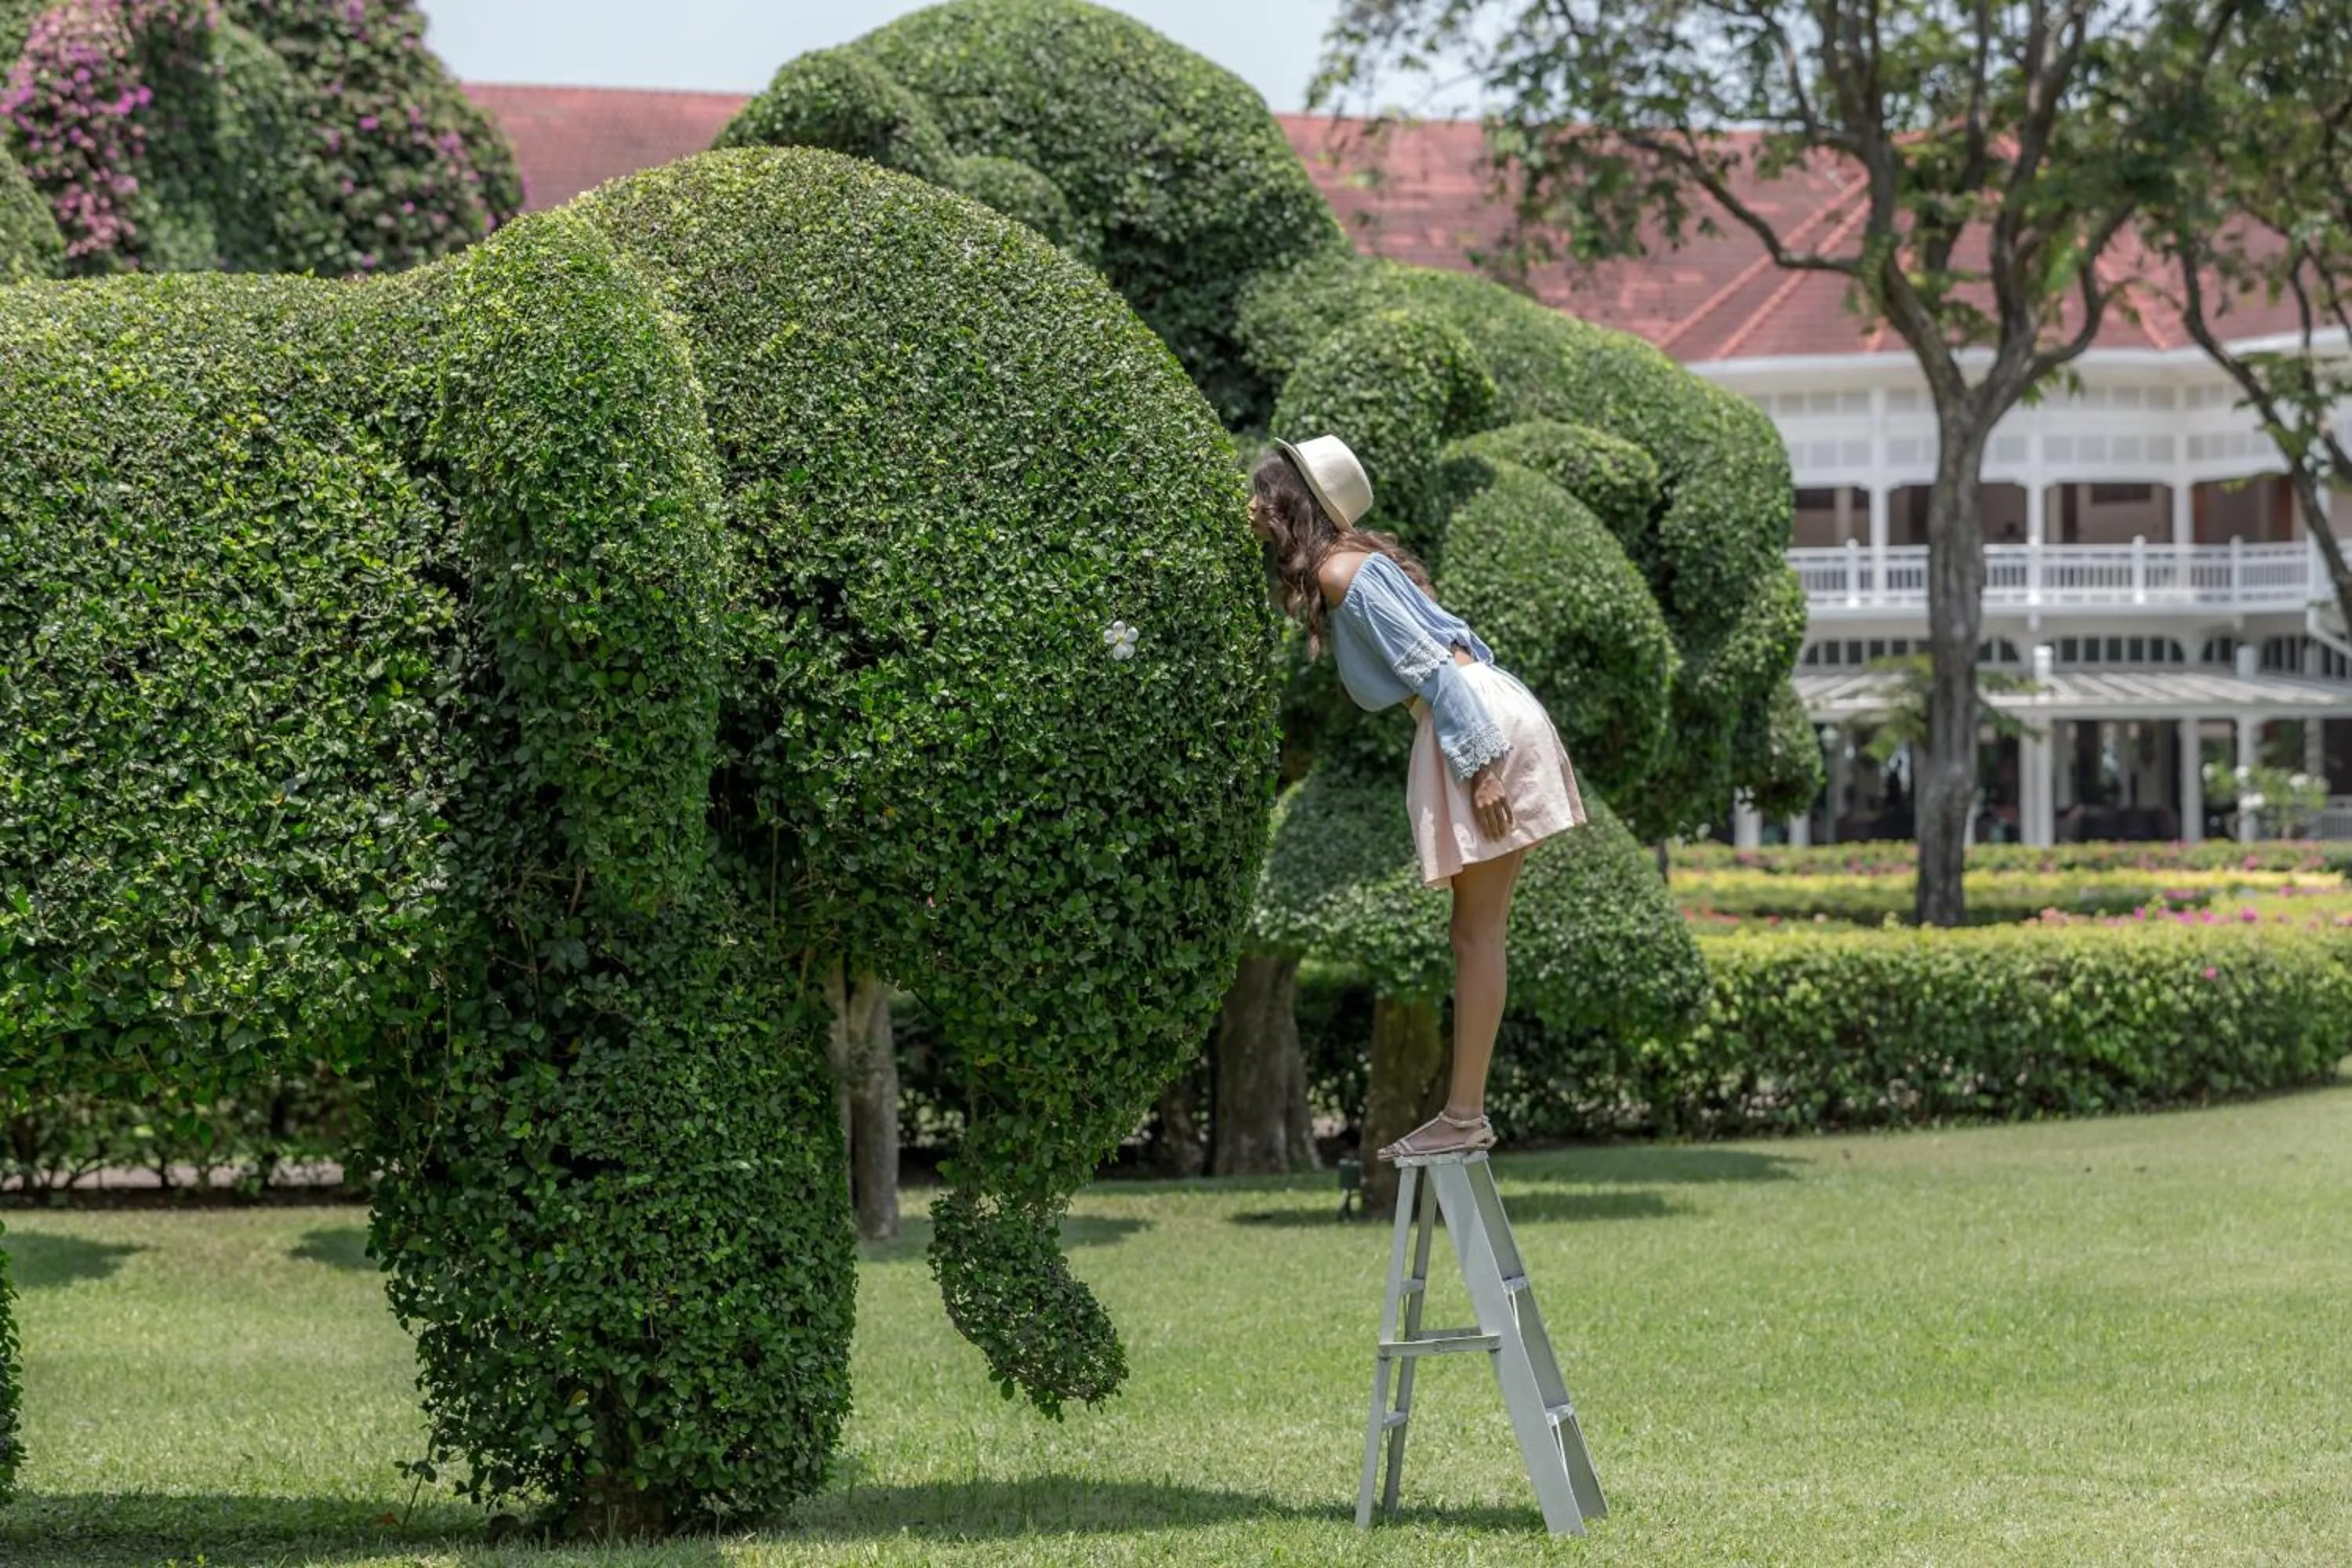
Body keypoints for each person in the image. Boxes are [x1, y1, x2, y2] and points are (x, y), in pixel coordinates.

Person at [1247, 434, 1588, 1160]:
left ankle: (1465, 1115)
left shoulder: (1341, 572)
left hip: (1471, 723)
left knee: (1476, 936)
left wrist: (1482, 767)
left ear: (1290, 503)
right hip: (1479, 712)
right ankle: (1464, 1112)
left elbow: (1435, 667)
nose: (1252, 506)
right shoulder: (1354, 562)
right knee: (1475, 934)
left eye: (1262, 493)